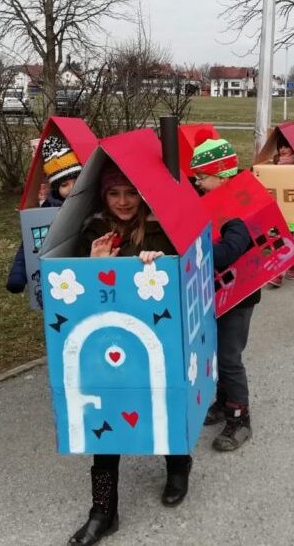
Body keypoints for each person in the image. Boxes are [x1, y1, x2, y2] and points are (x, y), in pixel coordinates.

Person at [68, 162, 189, 546]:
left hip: (156, 339)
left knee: (166, 406)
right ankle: (103, 511)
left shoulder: (160, 227)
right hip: (107, 345)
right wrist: (93, 266)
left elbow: (180, 277)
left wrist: (158, 264)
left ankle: (178, 466)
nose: (123, 202)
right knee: (106, 423)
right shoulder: (91, 231)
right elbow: (68, 289)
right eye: (114, 194)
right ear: (103, 196)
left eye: (131, 193)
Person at [189, 138, 260, 452]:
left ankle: (240, 417)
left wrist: (195, 247)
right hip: (218, 294)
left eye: (202, 177)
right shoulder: (214, 204)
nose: (198, 183)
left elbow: (229, 251)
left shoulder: (236, 211)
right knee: (215, 353)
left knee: (229, 357)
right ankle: (222, 400)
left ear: (221, 174)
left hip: (239, 297)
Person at [6, 134, 82, 296]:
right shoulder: (46, 211)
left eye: (77, 181)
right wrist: (17, 275)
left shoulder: (90, 205)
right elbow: (30, 244)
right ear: (55, 188)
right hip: (57, 278)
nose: (72, 188)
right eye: (64, 184)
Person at [267, 133, 294, 288]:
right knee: (283, 241)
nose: (282, 149)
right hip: (280, 211)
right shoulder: (275, 163)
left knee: (292, 241)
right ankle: (282, 271)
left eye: (286, 145)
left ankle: (289, 268)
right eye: (280, 146)